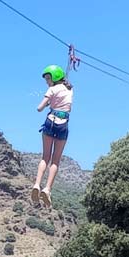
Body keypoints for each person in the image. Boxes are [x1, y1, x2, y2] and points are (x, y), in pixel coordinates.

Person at [31, 65, 74, 208]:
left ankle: (37, 184)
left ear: (55, 77)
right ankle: (47, 189)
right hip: (63, 124)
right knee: (55, 161)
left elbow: (39, 108)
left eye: (48, 78)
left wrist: (49, 100)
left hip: (50, 121)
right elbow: (64, 101)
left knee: (45, 157)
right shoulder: (70, 89)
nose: (47, 81)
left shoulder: (51, 89)